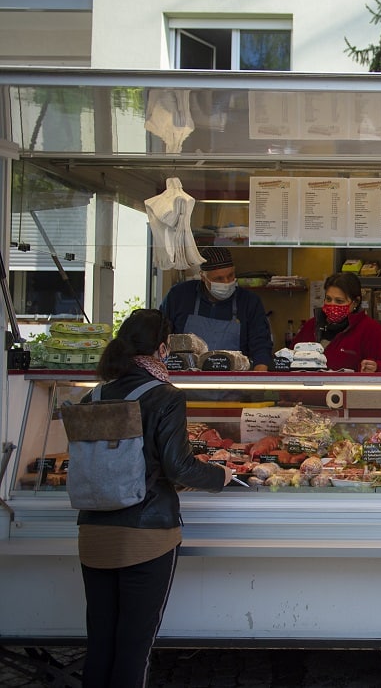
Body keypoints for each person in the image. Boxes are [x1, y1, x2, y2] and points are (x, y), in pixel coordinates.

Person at [77, 309, 233, 688]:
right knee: (134, 648)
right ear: (163, 348)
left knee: (100, 645)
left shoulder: (92, 396)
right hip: (145, 537)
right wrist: (221, 475)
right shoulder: (164, 396)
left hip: (93, 534)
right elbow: (178, 468)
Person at [160, 246, 273, 371]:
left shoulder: (249, 302)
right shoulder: (179, 296)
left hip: (235, 386)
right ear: (203, 277)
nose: (226, 282)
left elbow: (261, 345)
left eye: (230, 276)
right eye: (218, 279)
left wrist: (259, 381)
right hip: (184, 384)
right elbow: (159, 339)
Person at [291, 272, 381, 372]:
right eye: (328, 299)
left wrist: (377, 367)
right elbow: (289, 358)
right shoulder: (311, 325)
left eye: (339, 301)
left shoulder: (371, 330)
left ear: (355, 302)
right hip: (309, 394)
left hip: (350, 395)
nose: (332, 305)